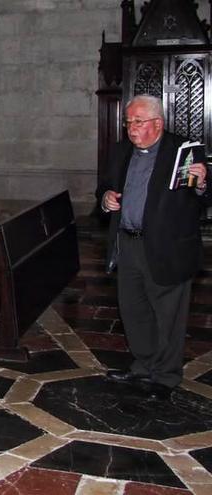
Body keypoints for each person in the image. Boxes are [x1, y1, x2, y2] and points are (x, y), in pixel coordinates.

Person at [100, 95, 212, 401]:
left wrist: (202, 183)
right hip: (128, 242)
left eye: (138, 122)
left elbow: (200, 195)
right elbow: (105, 185)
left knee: (168, 315)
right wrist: (106, 197)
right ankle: (143, 364)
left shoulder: (182, 150)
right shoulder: (122, 151)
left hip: (167, 247)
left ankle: (165, 375)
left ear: (157, 124)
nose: (131, 129)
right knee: (133, 310)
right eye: (128, 122)